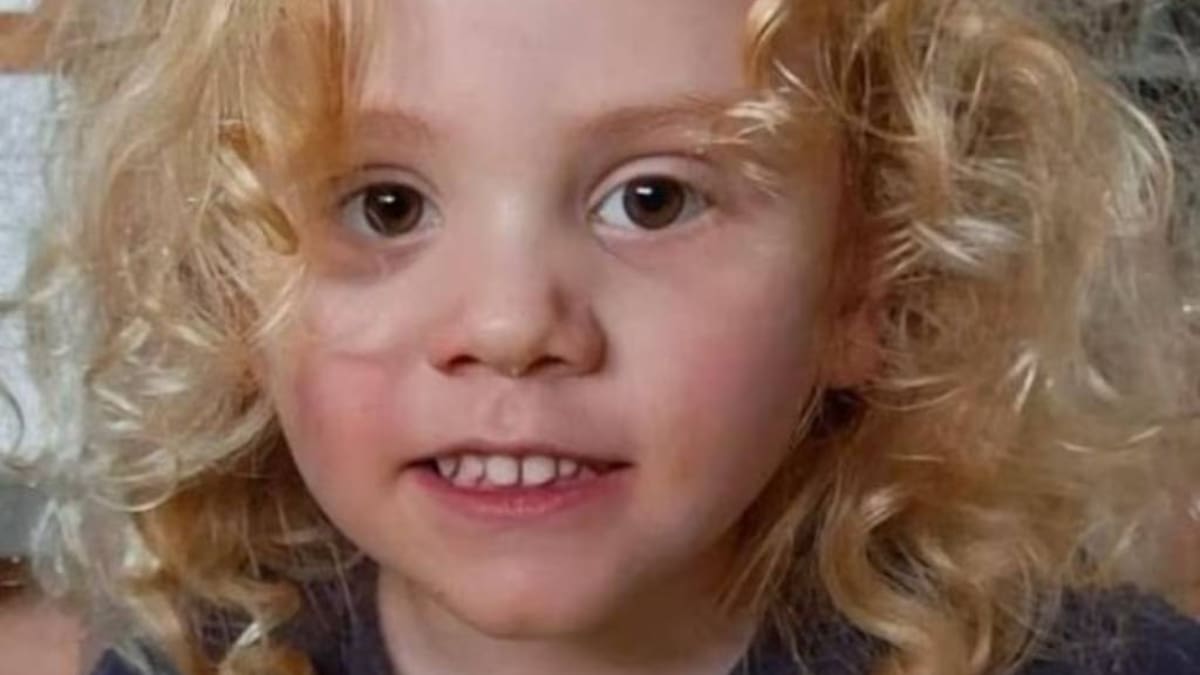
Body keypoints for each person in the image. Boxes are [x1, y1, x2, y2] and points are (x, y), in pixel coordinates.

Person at [3, 0, 1198, 673]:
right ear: (230, 286)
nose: (512, 324)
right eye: (387, 207)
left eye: (654, 199)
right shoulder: (198, 654)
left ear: (861, 289)